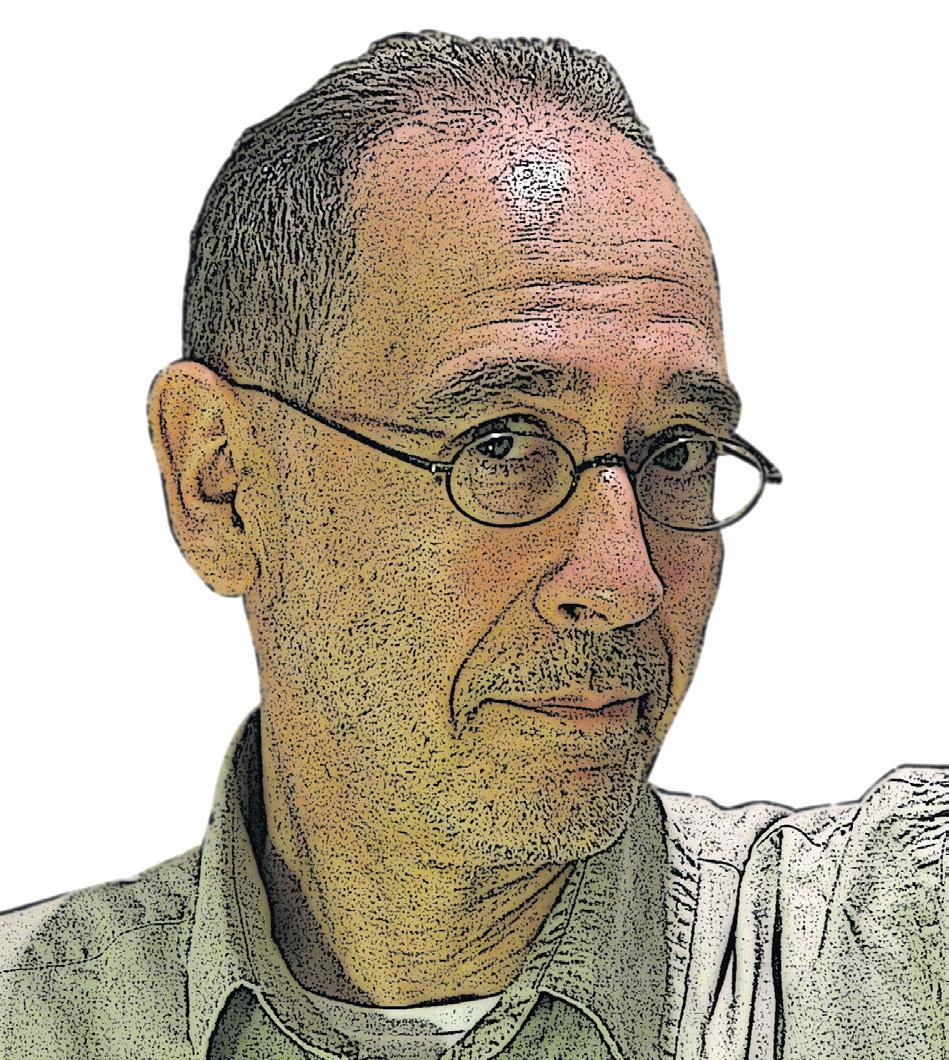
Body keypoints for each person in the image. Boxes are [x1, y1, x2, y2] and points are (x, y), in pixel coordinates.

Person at [0, 30, 944, 1060]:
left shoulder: (886, 949)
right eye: (500, 445)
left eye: (677, 451)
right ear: (219, 482)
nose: (624, 580)